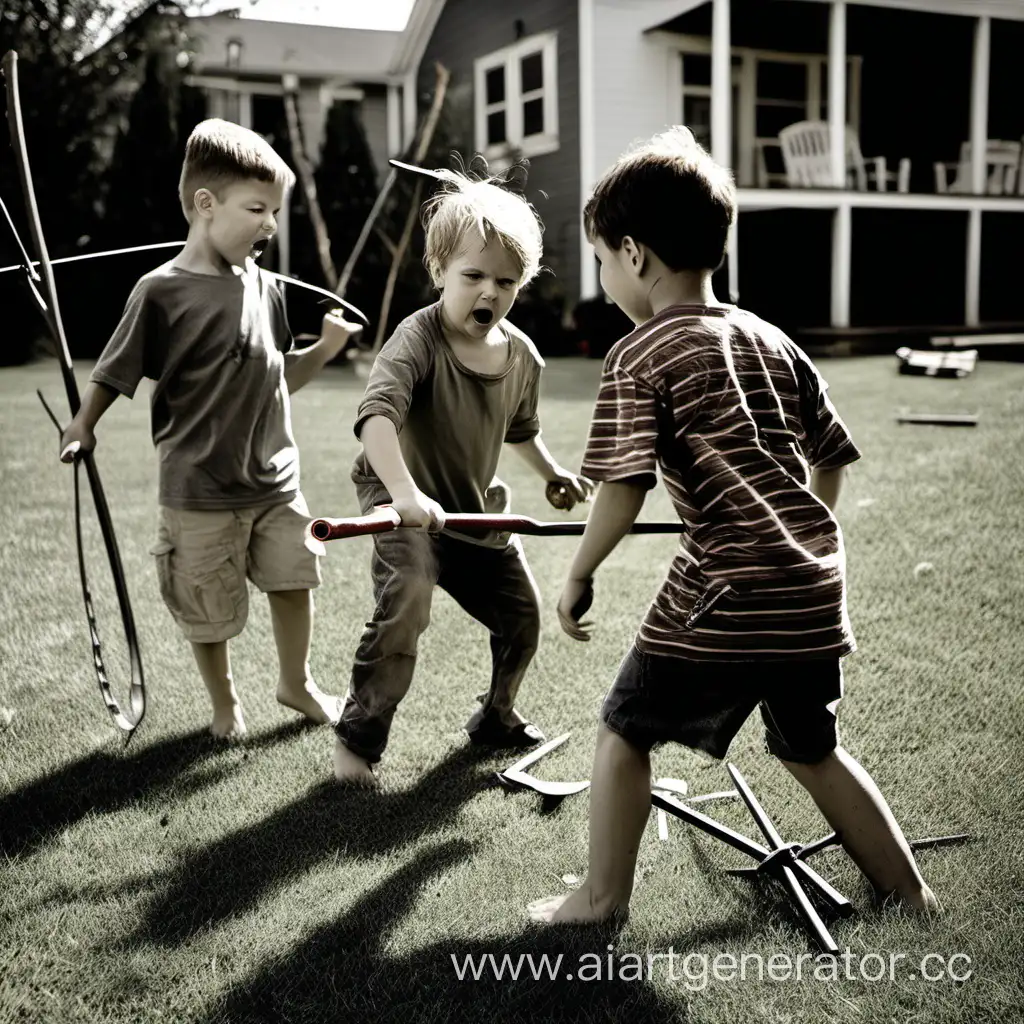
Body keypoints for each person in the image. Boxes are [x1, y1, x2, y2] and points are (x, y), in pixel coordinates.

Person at [528, 126, 937, 924]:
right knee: (811, 748)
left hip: (728, 584)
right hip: (812, 584)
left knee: (624, 728)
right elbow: (833, 456)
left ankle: (600, 898)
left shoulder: (640, 353)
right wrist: (799, 527)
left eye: (604, 261)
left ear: (636, 254)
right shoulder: (772, 340)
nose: (607, 279)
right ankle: (911, 893)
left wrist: (579, 573)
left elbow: (622, 486)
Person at [58, 119, 359, 740]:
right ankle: (225, 704)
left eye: (275, 210)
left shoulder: (267, 288)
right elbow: (116, 371)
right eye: (257, 208)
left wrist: (326, 349)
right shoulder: (160, 291)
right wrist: (84, 424)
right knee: (208, 608)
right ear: (205, 204)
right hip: (198, 488)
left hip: (275, 480)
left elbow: (278, 378)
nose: (270, 225)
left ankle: (294, 682)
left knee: (293, 577)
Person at [332, 168, 593, 784]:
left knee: (521, 616)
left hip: (470, 509)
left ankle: (496, 716)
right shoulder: (416, 339)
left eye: (505, 280)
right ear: (440, 270)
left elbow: (519, 428)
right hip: (399, 502)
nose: (489, 291)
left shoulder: (523, 356)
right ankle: (358, 739)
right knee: (407, 599)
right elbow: (375, 419)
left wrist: (551, 471)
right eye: (472, 275)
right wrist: (403, 494)